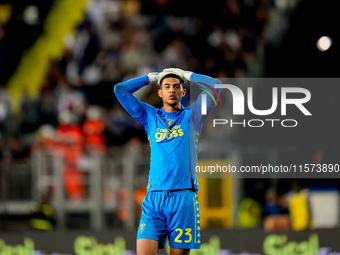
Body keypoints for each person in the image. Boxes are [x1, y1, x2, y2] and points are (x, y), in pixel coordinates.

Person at [114, 68, 221, 255]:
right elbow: (120, 90)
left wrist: (188, 75)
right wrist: (151, 77)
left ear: (183, 92)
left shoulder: (193, 115)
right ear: (159, 92)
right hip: (154, 199)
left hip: (183, 198)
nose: (172, 90)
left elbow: (216, 86)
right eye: (166, 86)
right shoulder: (150, 116)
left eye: (176, 86)